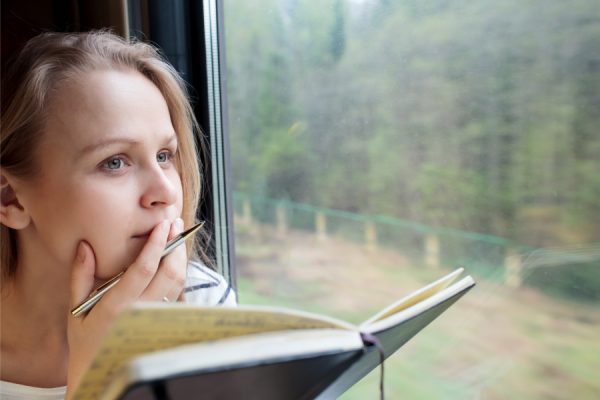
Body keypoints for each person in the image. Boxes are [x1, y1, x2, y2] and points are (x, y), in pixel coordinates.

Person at [0, 30, 236, 399]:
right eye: (114, 162)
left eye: (164, 156)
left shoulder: (205, 301)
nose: (167, 192)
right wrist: (101, 374)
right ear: (10, 198)